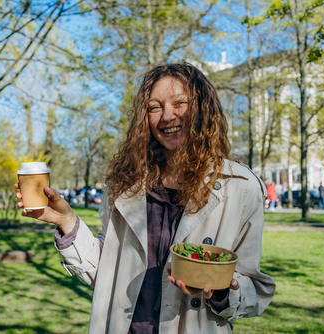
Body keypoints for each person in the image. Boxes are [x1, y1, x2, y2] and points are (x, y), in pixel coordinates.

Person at [15, 63, 275, 333]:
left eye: (180, 103)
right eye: (154, 107)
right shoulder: (126, 182)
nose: (167, 116)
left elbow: (254, 289)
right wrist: (67, 221)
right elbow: (107, 273)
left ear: (203, 109)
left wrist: (221, 291)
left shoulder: (239, 187)